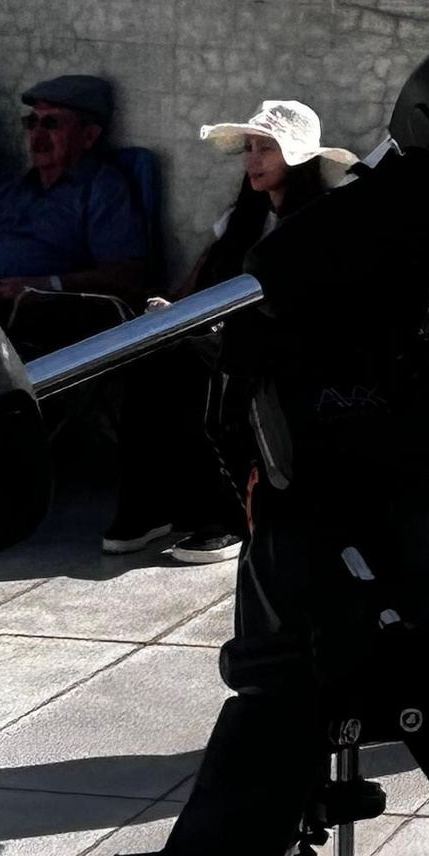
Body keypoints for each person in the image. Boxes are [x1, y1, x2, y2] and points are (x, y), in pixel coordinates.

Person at [104, 98, 352, 562]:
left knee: (195, 366)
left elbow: (310, 304)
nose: (252, 160)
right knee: (148, 354)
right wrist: (172, 311)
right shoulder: (244, 219)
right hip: (227, 333)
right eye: (250, 148)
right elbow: (199, 280)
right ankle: (151, 505)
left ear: (295, 161)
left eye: (266, 150)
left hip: (286, 342)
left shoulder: (318, 219)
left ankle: (225, 514)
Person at [0, 74, 148, 338]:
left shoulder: (102, 188)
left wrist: (44, 286)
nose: (37, 135)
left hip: (17, 317)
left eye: (51, 123)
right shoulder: (12, 190)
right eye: (32, 122)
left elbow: (127, 276)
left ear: (87, 135)